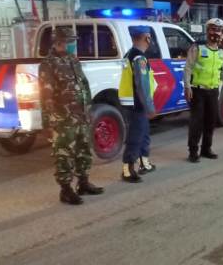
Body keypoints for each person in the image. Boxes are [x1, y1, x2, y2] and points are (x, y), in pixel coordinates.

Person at [39, 26, 104, 205]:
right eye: (70, 42)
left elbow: (84, 85)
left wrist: (88, 109)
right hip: (63, 118)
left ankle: (83, 183)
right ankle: (66, 190)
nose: (73, 45)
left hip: (80, 115)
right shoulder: (48, 64)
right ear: (60, 42)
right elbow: (46, 95)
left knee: (84, 149)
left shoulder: (73, 60)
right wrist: (48, 122)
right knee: (64, 153)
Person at [184, 17, 223, 162]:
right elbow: (188, 68)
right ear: (207, 31)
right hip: (198, 91)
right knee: (197, 122)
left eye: (219, 30)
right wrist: (187, 86)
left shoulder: (222, 52)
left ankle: (206, 149)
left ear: (222, 33)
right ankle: (193, 151)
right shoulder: (198, 47)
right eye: (213, 29)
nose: (216, 33)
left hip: (213, 91)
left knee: (210, 121)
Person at [118, 27, 157, 183]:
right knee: (135, 136)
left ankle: (144, 163)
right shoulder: (138, 58)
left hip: (134, 102)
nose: (150, 41)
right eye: (149, 38)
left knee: (143, 133)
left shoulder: (130, 54)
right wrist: (149, 106)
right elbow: (142, 84)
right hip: (137, 103)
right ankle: (127, 170)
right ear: (146, 38)